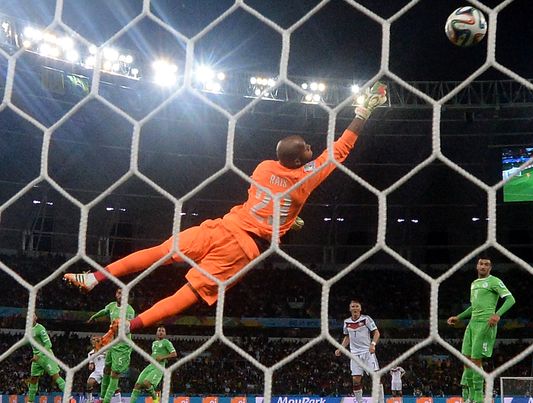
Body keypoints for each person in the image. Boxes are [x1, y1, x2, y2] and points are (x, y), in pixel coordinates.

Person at [64, 82, 388, 333]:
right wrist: (363, 113)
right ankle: (129, 328)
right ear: (296, 160)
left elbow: (269, 199)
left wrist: (288, 219)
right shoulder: (305, 179)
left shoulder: (263, 167)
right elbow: (340, 150)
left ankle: (94, 277)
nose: (310, 148)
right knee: (189, 292)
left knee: (161, 251)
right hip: (242, 247)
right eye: (306, 148)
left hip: (221, 226)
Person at [447, 258, 515, 403]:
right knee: (466, 359)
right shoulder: (474, 284)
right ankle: (471, 395)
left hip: (485, 324)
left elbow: (510, 299)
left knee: (475, 360)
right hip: (472, 324)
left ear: (490, 268)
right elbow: (474, 307)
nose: (483, 266)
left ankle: (479, 396)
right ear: (477, 266)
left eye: (486, 264)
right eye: (480, 264)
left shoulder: (494, 281)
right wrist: (459, 317)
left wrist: (497, 314)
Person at [88, 288, 136, 403]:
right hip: (112, 345)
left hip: (123, 346)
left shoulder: (129, 310)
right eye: (119, 293)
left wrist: (110, 333)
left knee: (115, 374)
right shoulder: (111, 306)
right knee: (106, 370)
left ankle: (106, 401)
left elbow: (127, 329)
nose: (121, 295)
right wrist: (94, 317)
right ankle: (102, 398)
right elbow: (104, 311)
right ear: (116, 294)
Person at [335, 299, 384, 403]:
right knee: (355, 380)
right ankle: (360, 401)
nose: (355, 308)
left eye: (357, 306)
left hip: (367, 352)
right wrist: (341, 348)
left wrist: (373, 344)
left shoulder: (366, 319)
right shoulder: (346, 322)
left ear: (360, 308)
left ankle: (381, 401)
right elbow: (347, 337)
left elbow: (376, 333)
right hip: (354, 355)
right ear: (350, 309)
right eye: (353, 306)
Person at [130, 325, 177, 403]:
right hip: (151, 365)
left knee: (146, 383)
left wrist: (162, 357)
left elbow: (174, 354)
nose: (161, 332)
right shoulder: (154, 343)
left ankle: (155, 399)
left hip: (159, 367)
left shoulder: (166, 342)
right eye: (159, 331)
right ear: (156, 333)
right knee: (137, 385)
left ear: (165, 334)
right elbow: (154, 355)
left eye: (162, 331)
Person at [26, 314, 66, 403]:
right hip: (36, 358)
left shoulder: (40, 329)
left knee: (56, 377)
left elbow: (49, 345)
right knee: (33, 380)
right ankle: (30, 401)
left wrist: (39, 355)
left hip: (46, 356)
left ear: (36, 318)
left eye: (33, 316)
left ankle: (70, 398)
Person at [86, 335, 106, 403]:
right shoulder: (90, 353)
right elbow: (91, 363)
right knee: (89, 383)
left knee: (114, 387)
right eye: (92, 340)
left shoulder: (105, 349)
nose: (93, 341)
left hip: (106, 371)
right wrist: (90, 366)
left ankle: (119, 400)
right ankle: (90, 400)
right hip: (97, 371)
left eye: (94, 340)